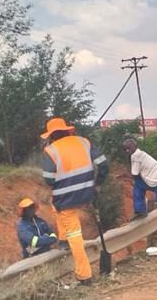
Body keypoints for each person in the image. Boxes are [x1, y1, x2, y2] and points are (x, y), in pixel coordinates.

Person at [40, 117, 108, 285]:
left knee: (75, 234)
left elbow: (48, 179)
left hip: (65, 198)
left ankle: (84, 275)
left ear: (51, 135)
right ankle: (63, 239)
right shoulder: (84, 142)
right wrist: (97, 184)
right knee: (56, 208)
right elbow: (103, 165)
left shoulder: (51, 150)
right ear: (67, 130)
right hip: (87, 192)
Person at [122, 138, 157, 250]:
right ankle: (140, 210)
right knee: (138, 185)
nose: (127, 150)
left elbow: (135, 174)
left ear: (135, 146)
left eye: (129, 148)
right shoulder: (141, 154)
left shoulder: (135, 156)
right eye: (125, 149)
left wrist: (125, 176)